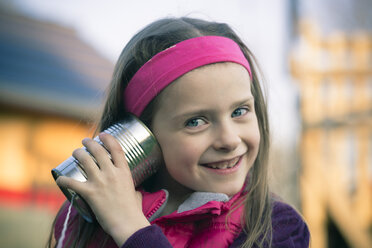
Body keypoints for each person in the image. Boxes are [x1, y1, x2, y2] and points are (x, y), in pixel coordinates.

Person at [47, 17, 310, 248]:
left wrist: (132, 229)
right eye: (196, 122)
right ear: (142, 132)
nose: (229, 140)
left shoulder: (278, 228)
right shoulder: (87, 218)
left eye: (239, 111)